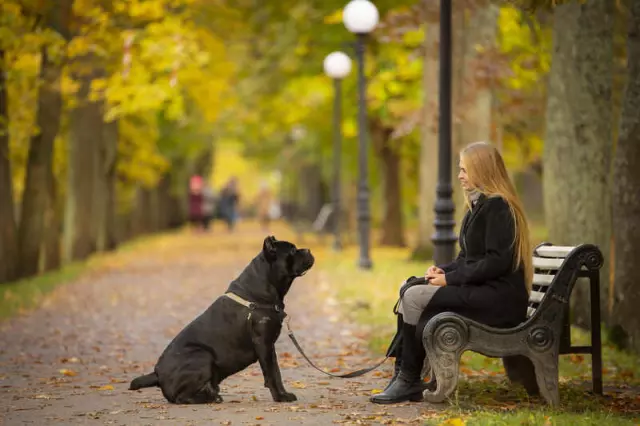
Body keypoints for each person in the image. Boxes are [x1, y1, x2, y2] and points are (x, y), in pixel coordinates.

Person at [371, 141, 533, 404]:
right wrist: (442, 270)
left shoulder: (499, 207)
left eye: (465, 170)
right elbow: (466, 258)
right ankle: (403, 375)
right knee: (410, 286)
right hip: (484, 292)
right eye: (460, 169)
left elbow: (497, 262)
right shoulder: (478, 207)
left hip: (498, 299)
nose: (460, 176)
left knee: (413, 296)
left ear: (482, 170)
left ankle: (408, 379)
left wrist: (449, 280)